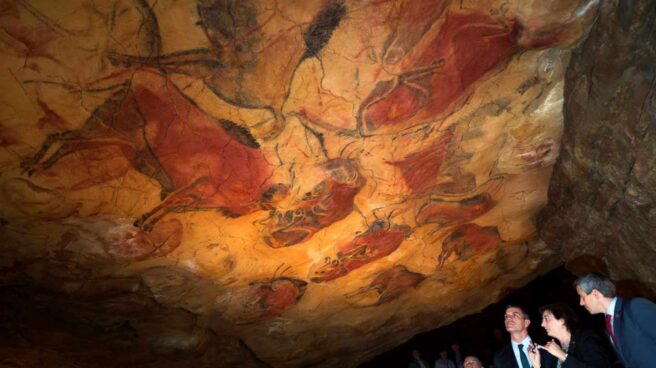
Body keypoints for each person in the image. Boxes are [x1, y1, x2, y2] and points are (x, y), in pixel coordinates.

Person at [574, 273, 656, 368]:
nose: (581, 303)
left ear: (595, 294)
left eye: (582, 297)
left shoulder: (635, 306)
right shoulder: (608, 325)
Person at [526, 303, 610, 368]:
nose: (542, 324)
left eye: (546, 318)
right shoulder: (555, 347)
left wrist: (563, 355)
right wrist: (537, 365)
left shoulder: (586, 339)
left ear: (562, 320)